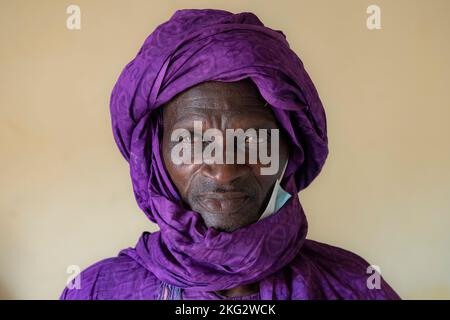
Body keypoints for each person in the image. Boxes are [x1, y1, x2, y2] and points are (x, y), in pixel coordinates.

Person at [60, 9, 400, 300]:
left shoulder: (355, 286)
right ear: (154, 155)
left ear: (290, 150)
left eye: (253, 139)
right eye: (191, 142)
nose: (223, 170)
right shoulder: (94, 291)